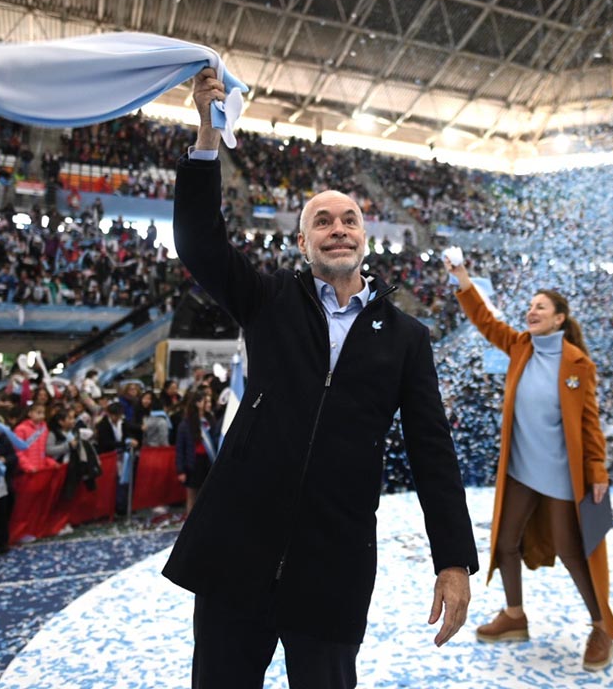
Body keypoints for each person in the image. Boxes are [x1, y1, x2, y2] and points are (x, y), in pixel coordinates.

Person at [162, 68, 477, 689]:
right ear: (303, 242)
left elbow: (431, 452)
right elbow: (199, 243)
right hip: (239, 545)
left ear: (364, 238)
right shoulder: (268, 298)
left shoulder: (407, 338)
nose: (338, 228)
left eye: (349, 219)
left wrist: (454, 560)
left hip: (333, 560)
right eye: (323, 221)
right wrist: (205, 131)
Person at [444, 257, 613, 672]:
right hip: (521, 469)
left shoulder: (578, 363)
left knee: (574, 551)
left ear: (559, 319)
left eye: (541, 307)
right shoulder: (520, 345)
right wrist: (463, 279)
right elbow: (486, 321)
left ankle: (601, 627)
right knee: (504, 543)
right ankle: (515, 616)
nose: (532, 311)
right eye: (530, 305)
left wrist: (597, 471)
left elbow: (591, 425)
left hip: (561, 474)